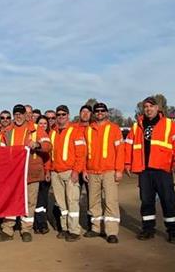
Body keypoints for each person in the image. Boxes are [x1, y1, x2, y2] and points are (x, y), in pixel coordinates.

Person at [125, 96, 175, 243]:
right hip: (144, 170)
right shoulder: (137, 125)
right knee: (146, 201)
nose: (148, 109)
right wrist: (127, 163)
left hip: (162, 169)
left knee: (168, 201)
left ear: (157, 108)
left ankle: (172, 231)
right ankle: (148, 229)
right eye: (145, 107)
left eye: (151, 106)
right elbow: (128, 145)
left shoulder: (169, 124)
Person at [0, 104, 51, 243]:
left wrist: (37, 145)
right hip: (13, 173)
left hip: (31, 171)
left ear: (25, 115)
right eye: (16, 113)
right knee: (11, 200)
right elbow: (2, 152)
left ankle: (26, 229)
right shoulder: (7, 131)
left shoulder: (36, 129)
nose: (19, 116)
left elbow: (48, 145)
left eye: (21, 113)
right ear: (14, 115)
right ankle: (8, 229)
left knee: (30, 202)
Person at [82, 102, 125, 244]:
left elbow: (120, 151)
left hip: (109, 171)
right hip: (92, 171)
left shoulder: (114, 129)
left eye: (102, 110)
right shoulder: (88, 130)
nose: (99, 112)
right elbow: (83, 152)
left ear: (107, 112)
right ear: (94, 113)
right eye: (97, 111)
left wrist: (119, 170)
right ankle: (96, 228)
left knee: (110, 201)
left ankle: (111, 232)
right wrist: (84, 169)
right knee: (94, 202)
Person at [49, 105, 87, 242]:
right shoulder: (52, 132)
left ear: (68, 116)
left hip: (70, 172)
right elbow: (49, 153)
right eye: (58, 115)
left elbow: (81, 154)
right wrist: (49, 170)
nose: (60, 117)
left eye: (63, 114)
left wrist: (76, 171)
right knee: (61, 203)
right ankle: (64, 228)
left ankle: (74, 230)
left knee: (72, 201)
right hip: (56, 172)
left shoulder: (75, 131)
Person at [33, 115, 52, 235]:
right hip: (38, 172)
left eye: (45, 123)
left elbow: (48, 157)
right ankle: (38, 223)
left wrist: (48, 170)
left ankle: (41, 222)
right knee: (37, 199)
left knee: (43, 200)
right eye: (40, 123)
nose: (43, 126)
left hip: (46, 171)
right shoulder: (36, 136)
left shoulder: (50, 136)